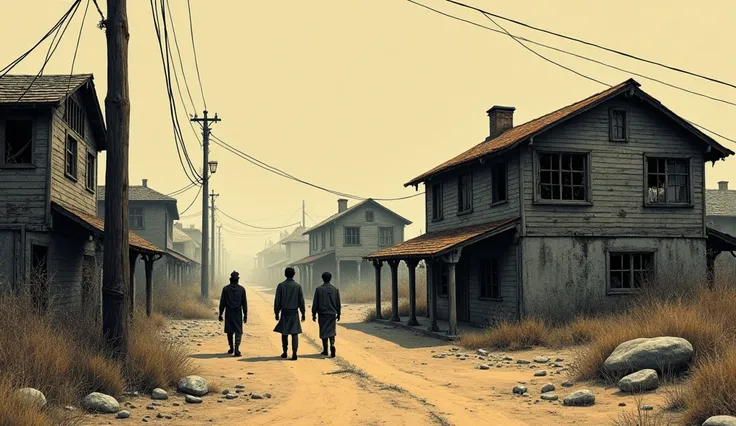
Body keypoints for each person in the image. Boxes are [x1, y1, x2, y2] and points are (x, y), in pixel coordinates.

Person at [273, 267, 306, 360]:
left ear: (285, 274)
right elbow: (301, 301)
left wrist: (276, 312)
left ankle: (285, 352)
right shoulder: (297, 286)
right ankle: (295, 352)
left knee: (284, 333)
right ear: (294, 274)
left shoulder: (281, 286)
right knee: (294, 333)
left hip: (285, 312)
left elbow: (277, 300)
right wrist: (303, 313)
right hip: (294, 312)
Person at [218, 271, 248, 357]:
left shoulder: (225, 289)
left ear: (230, 279)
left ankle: (231, 347)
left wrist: (220, 314)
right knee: (238, 331)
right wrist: (245, 315)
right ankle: (237, 349)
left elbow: (222, 303)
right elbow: (244, 304)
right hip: (238, 312)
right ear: (238, 280)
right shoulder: (242, 289)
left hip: (229, 312)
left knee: (229, 331)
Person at [312, 271, 341, 358]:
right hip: (332, 314)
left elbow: (315, 303)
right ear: (330, 278)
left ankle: (325, 350)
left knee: (324, 331)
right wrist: (339, 313)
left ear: (322, 278)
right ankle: (332, 344)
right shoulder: (335, 290)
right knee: (331, 331)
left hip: (322, 314)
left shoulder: (319, 289)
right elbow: (338, 303)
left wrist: (313, 313)